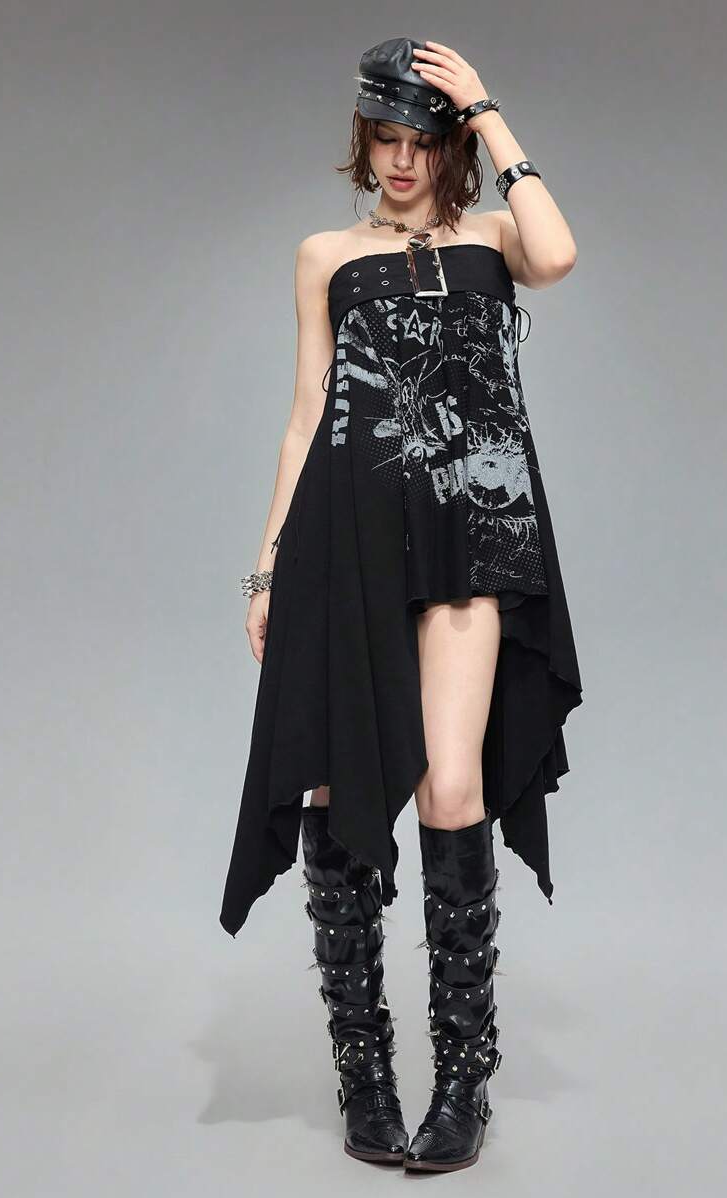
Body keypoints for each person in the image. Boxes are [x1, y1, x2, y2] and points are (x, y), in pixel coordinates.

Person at [219, 35, 584, 1171]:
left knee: (453, 779)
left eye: (420, 139)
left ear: (448, 146)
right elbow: (305, 414)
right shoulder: (324, 254)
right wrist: (268, 567)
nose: (400, 160)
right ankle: (365, 1073)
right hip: (348, 536)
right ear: (363, 144)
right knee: (338, 778)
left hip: (474, 529)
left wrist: (486, 106)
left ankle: (463, 1082)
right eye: (384, 138)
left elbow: (559, 254)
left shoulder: (492, 237)